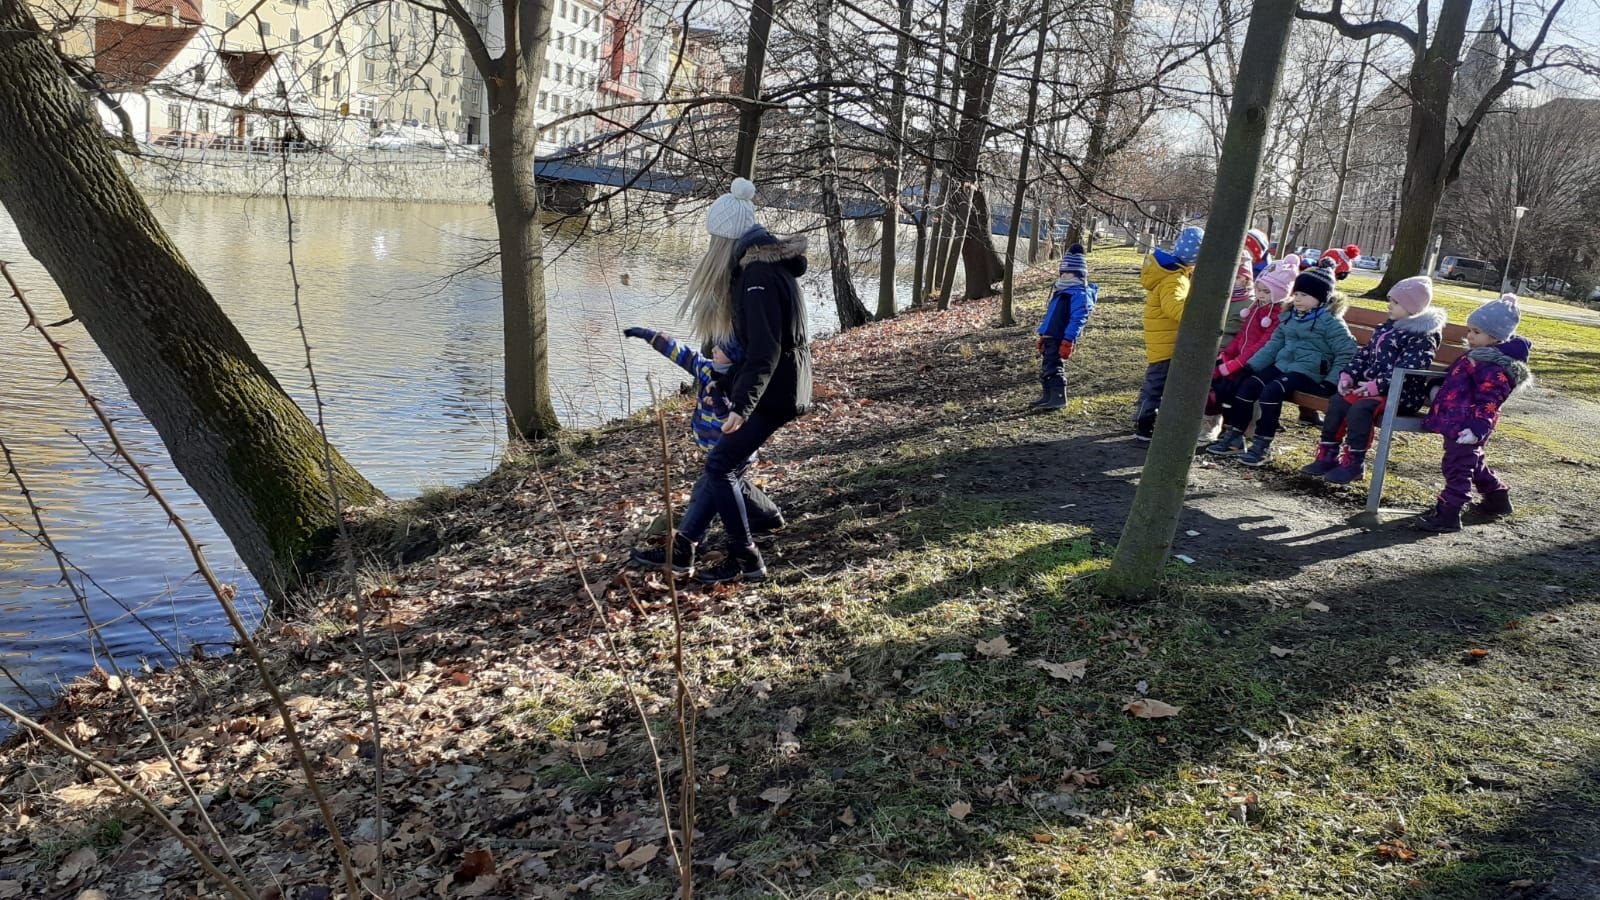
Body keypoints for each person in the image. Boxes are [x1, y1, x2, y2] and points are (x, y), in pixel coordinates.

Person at [629, 178, 812, 583]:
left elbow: (766, 349)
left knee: (721, 466)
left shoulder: (757, 275)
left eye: (715, 239)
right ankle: (686, 547)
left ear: (726, 238)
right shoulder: (759, 267)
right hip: (777, 387)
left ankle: (746, 558)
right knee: (725, 466)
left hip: (775, 392)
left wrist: (741, 406)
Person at [622, 326, 783, 550]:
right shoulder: (706, 369)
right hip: (715, 447)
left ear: (734, 355)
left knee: (705, 489)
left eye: (721, 348)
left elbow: (733, 422)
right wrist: (647, 335)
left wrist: (718, 401)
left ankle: (692, 541)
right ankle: (768, 515)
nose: (714, 349)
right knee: (733, 483)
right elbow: (682, 353)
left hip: (737, 449)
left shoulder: (745, 382)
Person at [1207, 264, 1357, 467]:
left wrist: (1332, 381)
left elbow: (1347, 351)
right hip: (1284, 366)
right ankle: (1235, 437)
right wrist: (1251, 366)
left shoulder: (1331, 322)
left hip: (1310, 372)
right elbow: (1273, 345)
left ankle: (1262, 446)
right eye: (1297, 294)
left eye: (1304, 295)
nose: (1298, 299)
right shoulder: (1290, 317)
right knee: (1248, 385)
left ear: (1321, 297)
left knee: (1272, 391)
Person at [1302, 276, 1446, 484]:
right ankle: (1328, 454)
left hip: (1400, 394)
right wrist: (1348, 375)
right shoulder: (1387, 328)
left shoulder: (1422, 336)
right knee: (1338, 402)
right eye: (1391, 300)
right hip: (1370, 389)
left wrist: (1376, 386)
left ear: (1413, 308)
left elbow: (1409, 369)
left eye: (1396, 303)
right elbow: (1364, 355)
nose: (1390, 305)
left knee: (1361, 408)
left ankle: (1354, 462)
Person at [1415, 294, 1532, 533]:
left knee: (1457, 466)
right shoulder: (1476, 356)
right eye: (1469, 330)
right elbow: (1453, 379)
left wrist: (1477, 428)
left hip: (1468, 424)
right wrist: (1435, 389)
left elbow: (1490, 401)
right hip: (1456, 420)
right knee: (1472, 460)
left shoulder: (1493, 366)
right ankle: (1497, 497)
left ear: (1496, 336)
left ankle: (1449, 512)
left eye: (1476, 332)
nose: (1469, 336)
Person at [1205, 254, 1299, 442]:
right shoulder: (1256, 307)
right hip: (1242, 359)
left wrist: (1237, 363)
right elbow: (1242, 335)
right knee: (1218, 382)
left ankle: (1243, 431)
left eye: (1266, 291)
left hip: (1258, 363)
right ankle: (1223, 427)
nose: (1260, 294)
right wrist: (1228, 354)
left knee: (1241, 387)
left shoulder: (1277, 314)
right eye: (1258, 289)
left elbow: (1263, 344)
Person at [1134, 225, 1204, 442]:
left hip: (1162, 339)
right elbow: (1173, 307)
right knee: (1156, 385)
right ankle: (1144, 424)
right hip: (1167, 343)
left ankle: (1143, 417)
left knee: (1154, 382)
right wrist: (1197, 314)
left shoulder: (1172, 272)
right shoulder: (1175, 279)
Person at [1030, 243, 1098, 411]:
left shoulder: (1078, 294)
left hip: (1061, 337)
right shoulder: (1060, 292)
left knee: (1055, 367)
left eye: (1070, 274)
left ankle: (1059, 397)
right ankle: (1048, 395)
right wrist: (1043, 335)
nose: (1065, 277)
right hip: (1051, 336)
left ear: (1080, 275)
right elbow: (1051, 317)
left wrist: (1068, 339)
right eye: (1063, 273)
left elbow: (1078, 318)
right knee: (1047, 367)